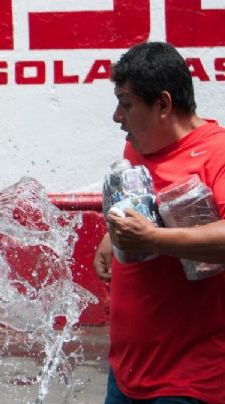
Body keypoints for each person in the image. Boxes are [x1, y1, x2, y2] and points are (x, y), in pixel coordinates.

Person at [93, 42, 225, 403]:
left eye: (126, 103)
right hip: (126, 373)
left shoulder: (217, 152)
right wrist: (112, 232)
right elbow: (143, 205)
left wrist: (153, 239)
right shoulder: (137, 145)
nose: (117, 116)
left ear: (163, 104)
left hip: (189, 380)